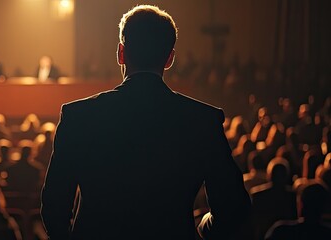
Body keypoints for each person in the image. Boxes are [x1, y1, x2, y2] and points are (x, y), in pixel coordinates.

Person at [40, 5, 250, 240]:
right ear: (170, 58)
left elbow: (54, 207)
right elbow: (234, 209)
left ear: (121, 53)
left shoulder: (78, 116)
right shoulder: (202, 120)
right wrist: (201, 228)